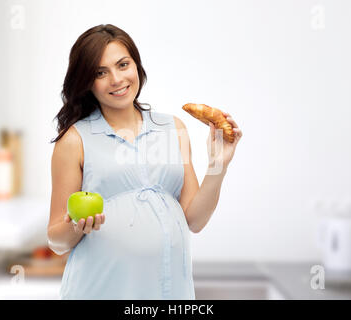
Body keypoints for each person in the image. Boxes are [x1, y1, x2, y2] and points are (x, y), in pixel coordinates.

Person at [47, 24, 242, 300]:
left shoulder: (173, 128)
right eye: (100, 73)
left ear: (136, 66)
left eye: (123, 64)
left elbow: (195, 220)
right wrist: (76, 226)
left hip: (170, 292)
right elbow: (55, 239)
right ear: (87, 82)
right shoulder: (75, 140)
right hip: (99, 290)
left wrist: (218, 164)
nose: (116, 79)